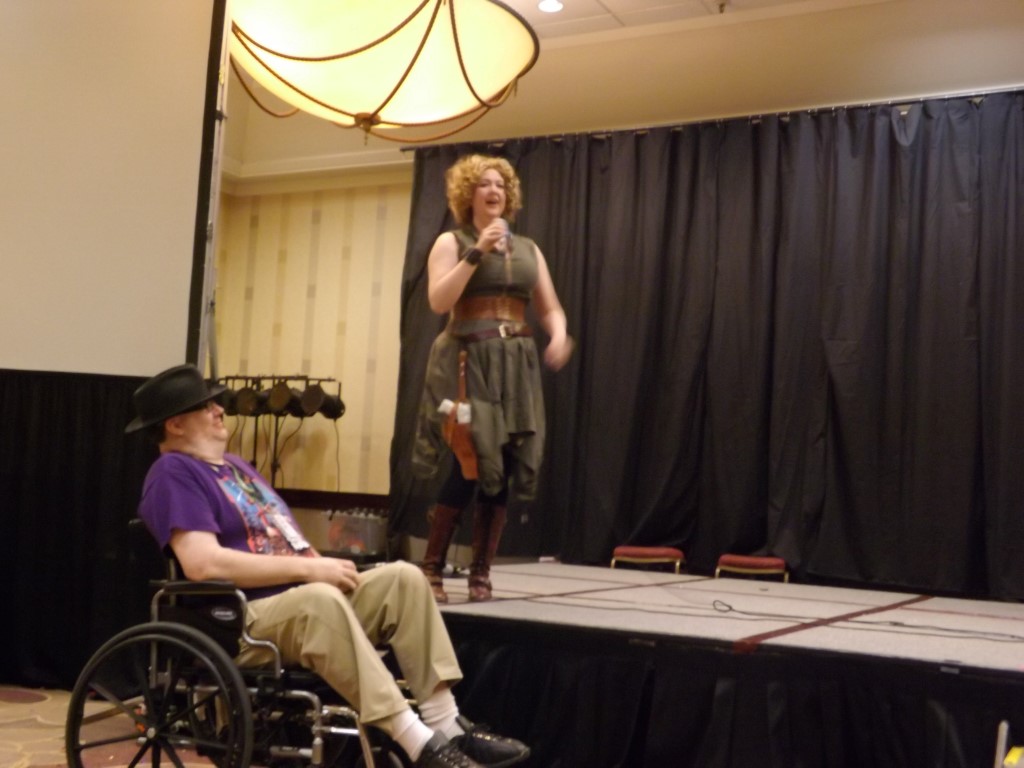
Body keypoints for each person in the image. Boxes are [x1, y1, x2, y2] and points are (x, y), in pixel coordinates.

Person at [127, 364, 529, 768]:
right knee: (318, 598)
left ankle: (447, 724)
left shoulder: (236, 467)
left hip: (298, 601)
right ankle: (418, 743)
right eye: (205, 406)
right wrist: (309, 572)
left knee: (404, 579)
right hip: (243, 619)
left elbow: (285, 539)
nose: (219, 410)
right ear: (175, 425)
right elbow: (202, 563)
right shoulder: (172, 473)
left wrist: (320, 565)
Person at [412, 154, 572, 603]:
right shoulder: (452, 241)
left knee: (501, 464)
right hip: (468, 362)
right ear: (469, 193)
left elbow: (550, 308)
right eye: (484, 183)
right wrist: (477, 250)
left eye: (501, 184)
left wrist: (559, 335)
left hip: (514, 366)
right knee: (471, 458)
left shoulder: (529, 249)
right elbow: (440, 301)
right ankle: (431, 567)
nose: (494, 190)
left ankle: (480, 572)